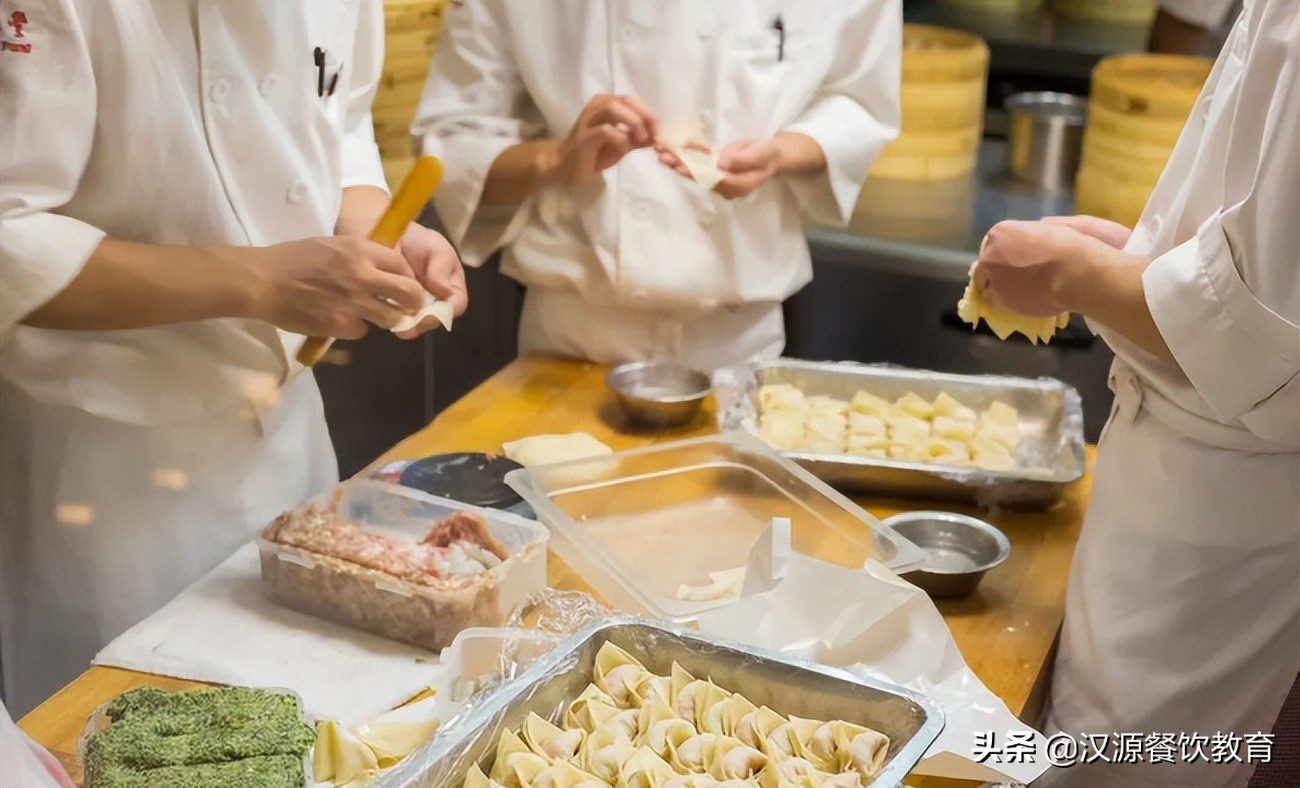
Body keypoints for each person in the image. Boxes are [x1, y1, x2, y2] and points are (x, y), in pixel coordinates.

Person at [0, 0, 467, 714]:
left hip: (288, 437)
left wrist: (377, 232)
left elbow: (334, 123)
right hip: (109, 467)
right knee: (122, 736)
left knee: (312, 724)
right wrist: (259, 280)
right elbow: (10, 235)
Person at [972, 2, 1297, 784]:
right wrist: (1140, 256)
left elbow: (1257, 346)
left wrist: (1077, 276)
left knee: (1122, 767)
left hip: (1217, 511)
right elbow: (1256, 259)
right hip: (1195, 487)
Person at [413, 0, 900, 371]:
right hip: (572, 336)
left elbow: (860, 99)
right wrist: (558, 159)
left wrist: (781, 153)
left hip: (741, 339)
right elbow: (454, 140)